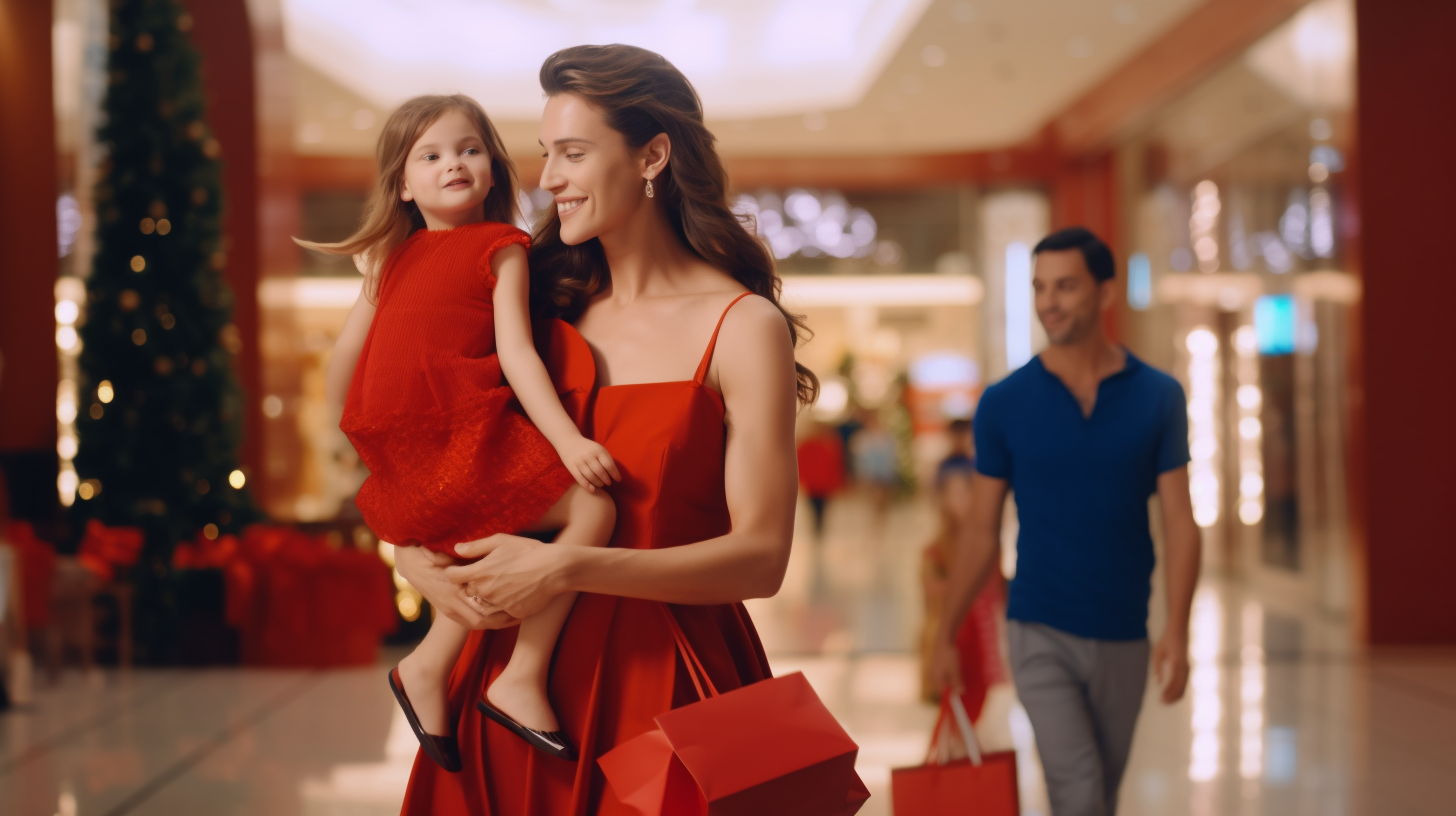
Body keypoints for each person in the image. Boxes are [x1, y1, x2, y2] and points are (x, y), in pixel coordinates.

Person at [392, 45, 810, 815]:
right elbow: (427, 444)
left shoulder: (743, 327)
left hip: (672, 689)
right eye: (546, 154)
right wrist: (409, 554)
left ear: (653, 156)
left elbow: (761, 560)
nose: (548, 180)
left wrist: (564, 569)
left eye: (574, 154)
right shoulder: (534, 309)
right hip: (507, 696)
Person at [305, 95, 620, 769]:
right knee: (592, 505)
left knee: (476, 544)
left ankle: (429, 666)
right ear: (402, 182)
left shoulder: (492, 246)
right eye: (432, 154)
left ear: (493, 167)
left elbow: (514, 353)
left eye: (469, 149)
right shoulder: (413, 258)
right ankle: (521, 676)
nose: (454, 163)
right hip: (433, 444)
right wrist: (569, 441)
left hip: (438, 448)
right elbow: (351, 373)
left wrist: (562, 439)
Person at [930, 227, 1201, 816]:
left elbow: (1181, 522)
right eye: (1040, 287)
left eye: (1066, 286)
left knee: (1100, 793)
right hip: (1039, 629)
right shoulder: (1004, 403)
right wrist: (946, 630)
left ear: (1106, 293)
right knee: (1078, 792)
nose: (1049, 301)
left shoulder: (1159, 397)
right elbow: (980, 530)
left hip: (1126, 632)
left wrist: (1177, 630)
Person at [919, 418, 1006, 714]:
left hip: (983, 634)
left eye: (967, 493)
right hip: (956, 635)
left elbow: (999, 588)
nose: (961, 501)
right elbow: (929, 600)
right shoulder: (936, 551)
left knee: (982, 708)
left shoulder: (975, 465)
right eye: (953, 494)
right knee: (957, 708)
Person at [796, 421, 846, 539]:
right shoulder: (825, 444)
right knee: (818, 508)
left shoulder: (827, 444)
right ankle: (818, 528)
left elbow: (834, 464)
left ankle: (818, 528)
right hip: (817, 483)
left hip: (819, 483)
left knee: (818, 508)